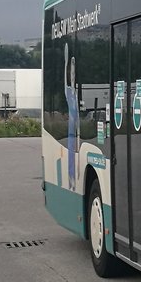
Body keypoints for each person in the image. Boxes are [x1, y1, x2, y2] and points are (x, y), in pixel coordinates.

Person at [63, 44, 78, 189]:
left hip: (76, 134)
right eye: (71, 71)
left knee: (74, 159)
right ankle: (71, 181)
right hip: (70, 135)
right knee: (71, 160)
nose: (72, 74)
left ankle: (73, 181)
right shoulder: (68, 92)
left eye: (74, 71)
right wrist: (66, 60)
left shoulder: (75, 93)